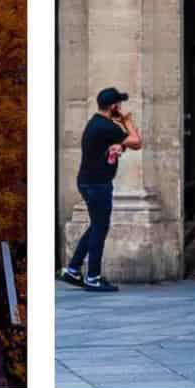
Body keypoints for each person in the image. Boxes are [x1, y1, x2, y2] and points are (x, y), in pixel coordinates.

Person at [60, 87, 141, 292]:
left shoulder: (95, 123)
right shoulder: (106, 126)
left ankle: (73, 269)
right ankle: (93, 277)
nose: (121, 107)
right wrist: (126, 120)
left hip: (88, 182)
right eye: (119, 105)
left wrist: (118, 147)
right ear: (114, 107)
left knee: (96, 225)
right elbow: (137, 142)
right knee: (100, 228)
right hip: (98, 185)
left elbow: (114, 145)